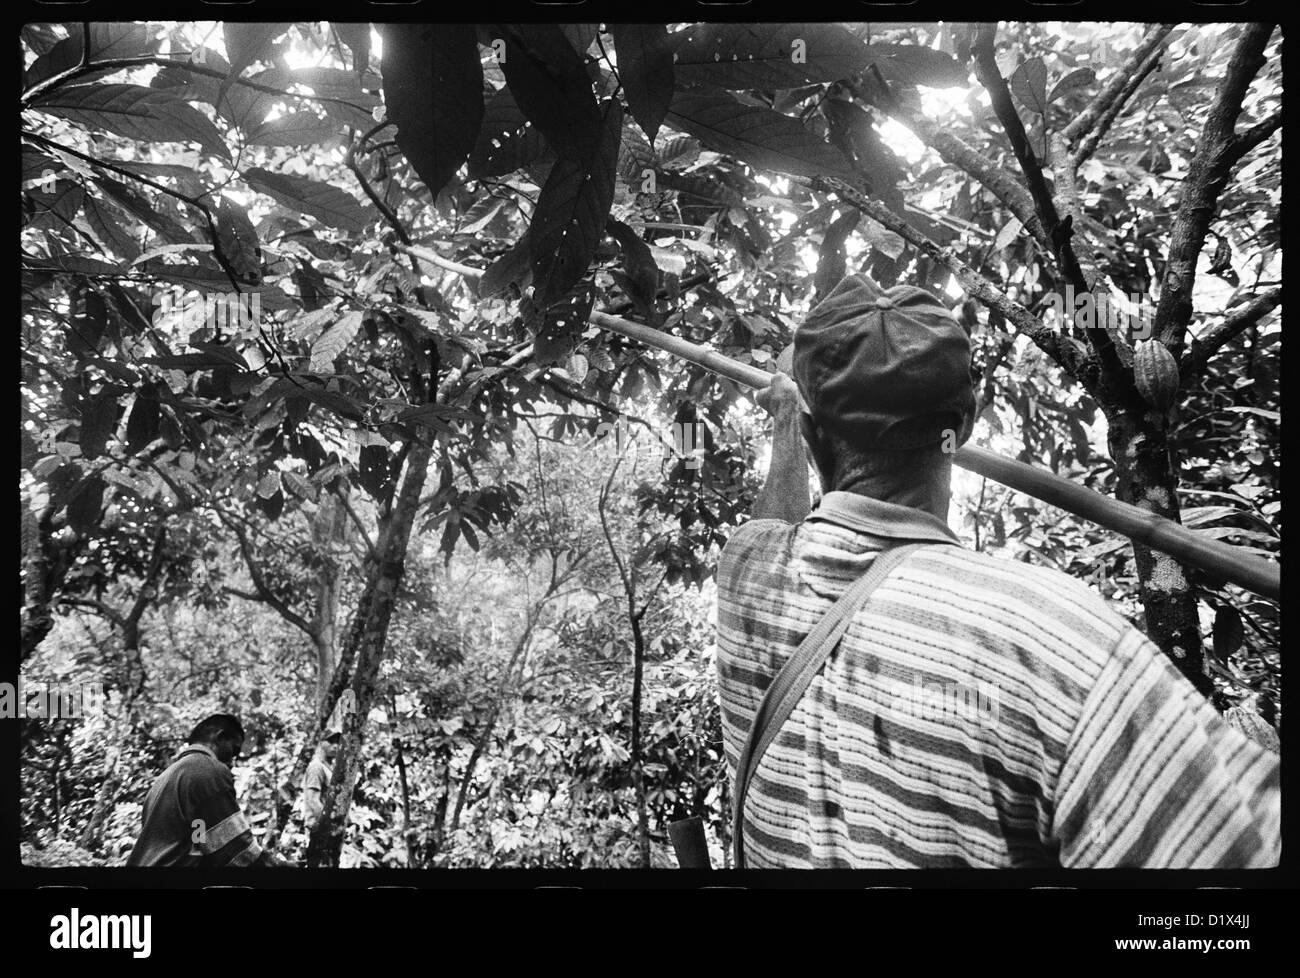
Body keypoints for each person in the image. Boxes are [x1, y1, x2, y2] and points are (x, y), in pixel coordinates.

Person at [716, 273, 1280, 869]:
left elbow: (770, 533)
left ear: (809, 431)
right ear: (968, 421)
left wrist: (785, 418)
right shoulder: (1052, 640)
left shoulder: (746, 581)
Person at [126, 713, 289, 867]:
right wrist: (274, 864)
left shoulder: (165, 777)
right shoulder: (208, 768)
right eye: (234, 750)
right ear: (220, 737)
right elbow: (236, 849)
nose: (233, 760)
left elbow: (201, 838)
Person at [300, 731, 341, 833]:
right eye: (330, 741)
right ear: (321, 743)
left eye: (337, 742)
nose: (335, 746)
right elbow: (313, 800)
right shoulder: (316, 767)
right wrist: (327, 826)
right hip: (317, 827)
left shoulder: (328, 768)